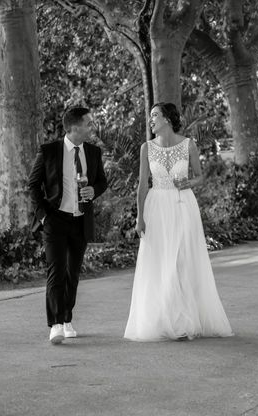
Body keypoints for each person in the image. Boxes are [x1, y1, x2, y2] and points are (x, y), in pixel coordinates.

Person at [124, 102, 233, 342]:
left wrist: (189, 183)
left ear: (167, 119)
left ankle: (183, 321)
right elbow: (143, 185)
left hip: (183, 206)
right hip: (156, 208)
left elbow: (200, 176)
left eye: (154, 116)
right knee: (160, 262)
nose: (150, 120)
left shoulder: (188, 145)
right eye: (150, 116)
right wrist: (139, 218)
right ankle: (165, 320)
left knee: (182, 261)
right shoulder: (146, 148)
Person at [28, 106, 108, 344]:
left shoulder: (93, 152)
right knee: (56, 272)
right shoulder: (49, 151)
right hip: (55, 220)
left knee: (72, 273)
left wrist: (94, 190)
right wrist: (43, 216)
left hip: (80, 220)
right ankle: (55, 324)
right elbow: (33, 185)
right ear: (74, 127)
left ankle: (67, 318)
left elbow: (102, 182)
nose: (91, 128)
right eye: (88, 123)